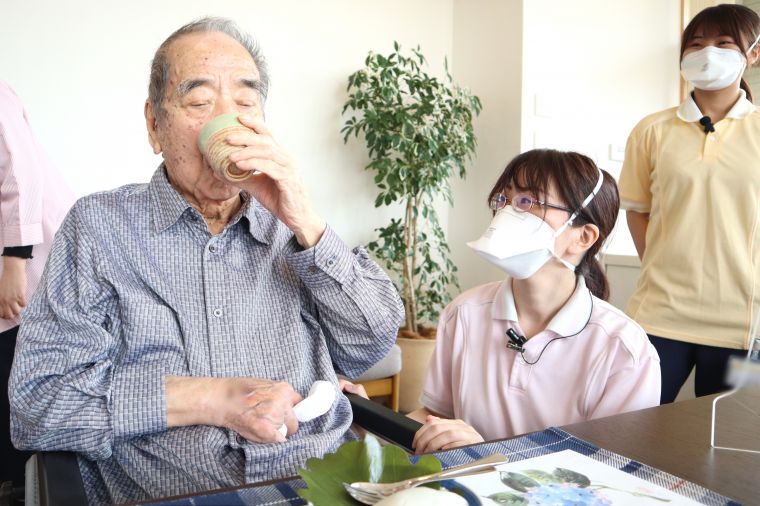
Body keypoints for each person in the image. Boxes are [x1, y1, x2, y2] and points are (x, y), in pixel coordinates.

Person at [9, 17, 404, 504]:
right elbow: (39, 405)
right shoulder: (98, 228)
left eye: (245, 102)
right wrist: (210, 400)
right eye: (199, 101)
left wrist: (306, 219)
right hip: (170, 493)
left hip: (316, 484)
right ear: (154, 125)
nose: (229, 119)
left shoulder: (294, 228)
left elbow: (371, 345)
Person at [408, 149, 660, 454]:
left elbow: (607, 471)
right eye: (504, 199)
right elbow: (437, 420)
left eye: (527, 202)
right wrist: (360, 416)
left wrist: (487, 454)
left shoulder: (625, 350)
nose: (507, 213)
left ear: (583, 237)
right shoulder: (463, 314)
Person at [619, 4, 760, 404]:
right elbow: (638, 210)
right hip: (658, 317)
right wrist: (661, 263)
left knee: (729, 447)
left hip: (743, 327)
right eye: (696, 43)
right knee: (633, 429)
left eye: (724, 42)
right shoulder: (652, 130)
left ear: (753, 54)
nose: (707, 52)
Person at [0, 81, 74, 497]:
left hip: (27, 257)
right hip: (13, 257)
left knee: (20, 371)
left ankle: (22, 485)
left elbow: (19, 171)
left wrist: (14, 261)